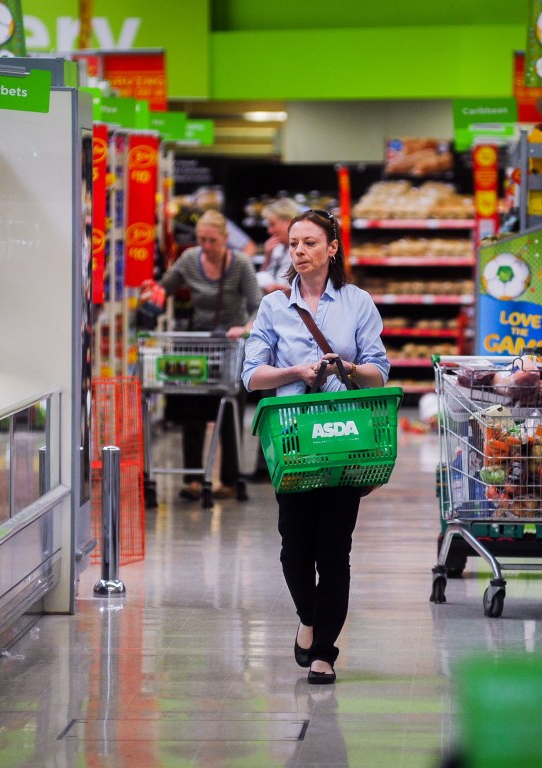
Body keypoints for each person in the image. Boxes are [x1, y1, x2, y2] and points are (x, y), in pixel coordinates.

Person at [241, 209, 390, 685]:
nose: (300, 251)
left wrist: (343, 366)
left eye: (309, 242)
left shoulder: (357, 302)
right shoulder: (273, 307)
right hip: (292, 442)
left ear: (332, 248)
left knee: (334, 550)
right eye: (294, 243)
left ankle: (324, 650)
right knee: (293, 549)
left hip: (345, 439)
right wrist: (296, 373)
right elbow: (251, 376)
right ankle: (309, 617)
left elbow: (378, 370)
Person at [159, 209, 263, 501]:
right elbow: (164, 288)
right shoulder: (189, 259)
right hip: (198, 345)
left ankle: (229, 480)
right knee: (191, 413)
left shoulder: (240, 264)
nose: (206, 245)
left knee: (229, 411)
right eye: (201, 239)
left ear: (225, 239)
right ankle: (193, 479)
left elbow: (258, 304)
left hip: (230, 346)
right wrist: (150, 295)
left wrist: (246, 327)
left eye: (212, 240)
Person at [248, 197, 304, 482]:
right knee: (271, 400)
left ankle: (285, 461)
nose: (269, 231)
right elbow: (265, 283)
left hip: (291, 335)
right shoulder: (279, 250)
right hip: (275, 333)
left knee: (287, 401)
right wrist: (268, 260)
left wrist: (274, 284)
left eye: (273, 224)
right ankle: (269, 464)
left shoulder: (297, 253)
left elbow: (285, 288)